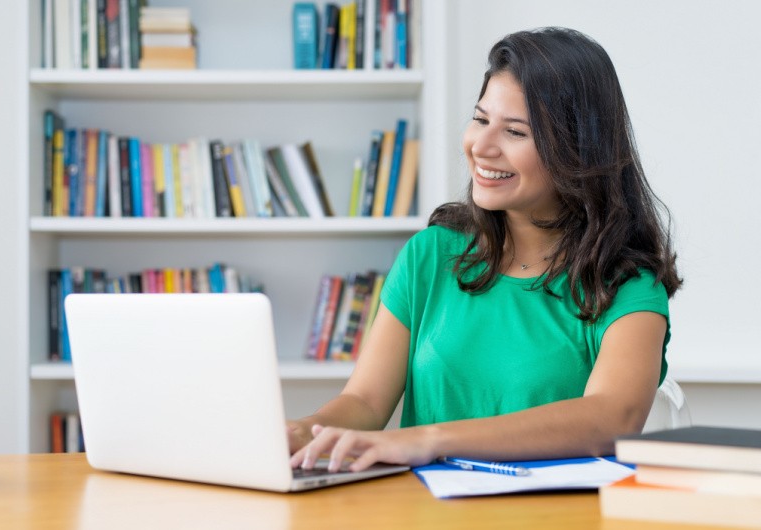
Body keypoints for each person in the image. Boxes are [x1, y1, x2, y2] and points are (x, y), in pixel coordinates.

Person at [288, 27, 682, 473]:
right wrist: (306, 431)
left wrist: (431, 439)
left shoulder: (627, 283)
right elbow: (365, 400)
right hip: (421, 506)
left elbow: (612, 417)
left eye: (514, 131)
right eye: (480, 120)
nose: (481, 146)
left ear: (577, 150)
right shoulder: (431, 254)